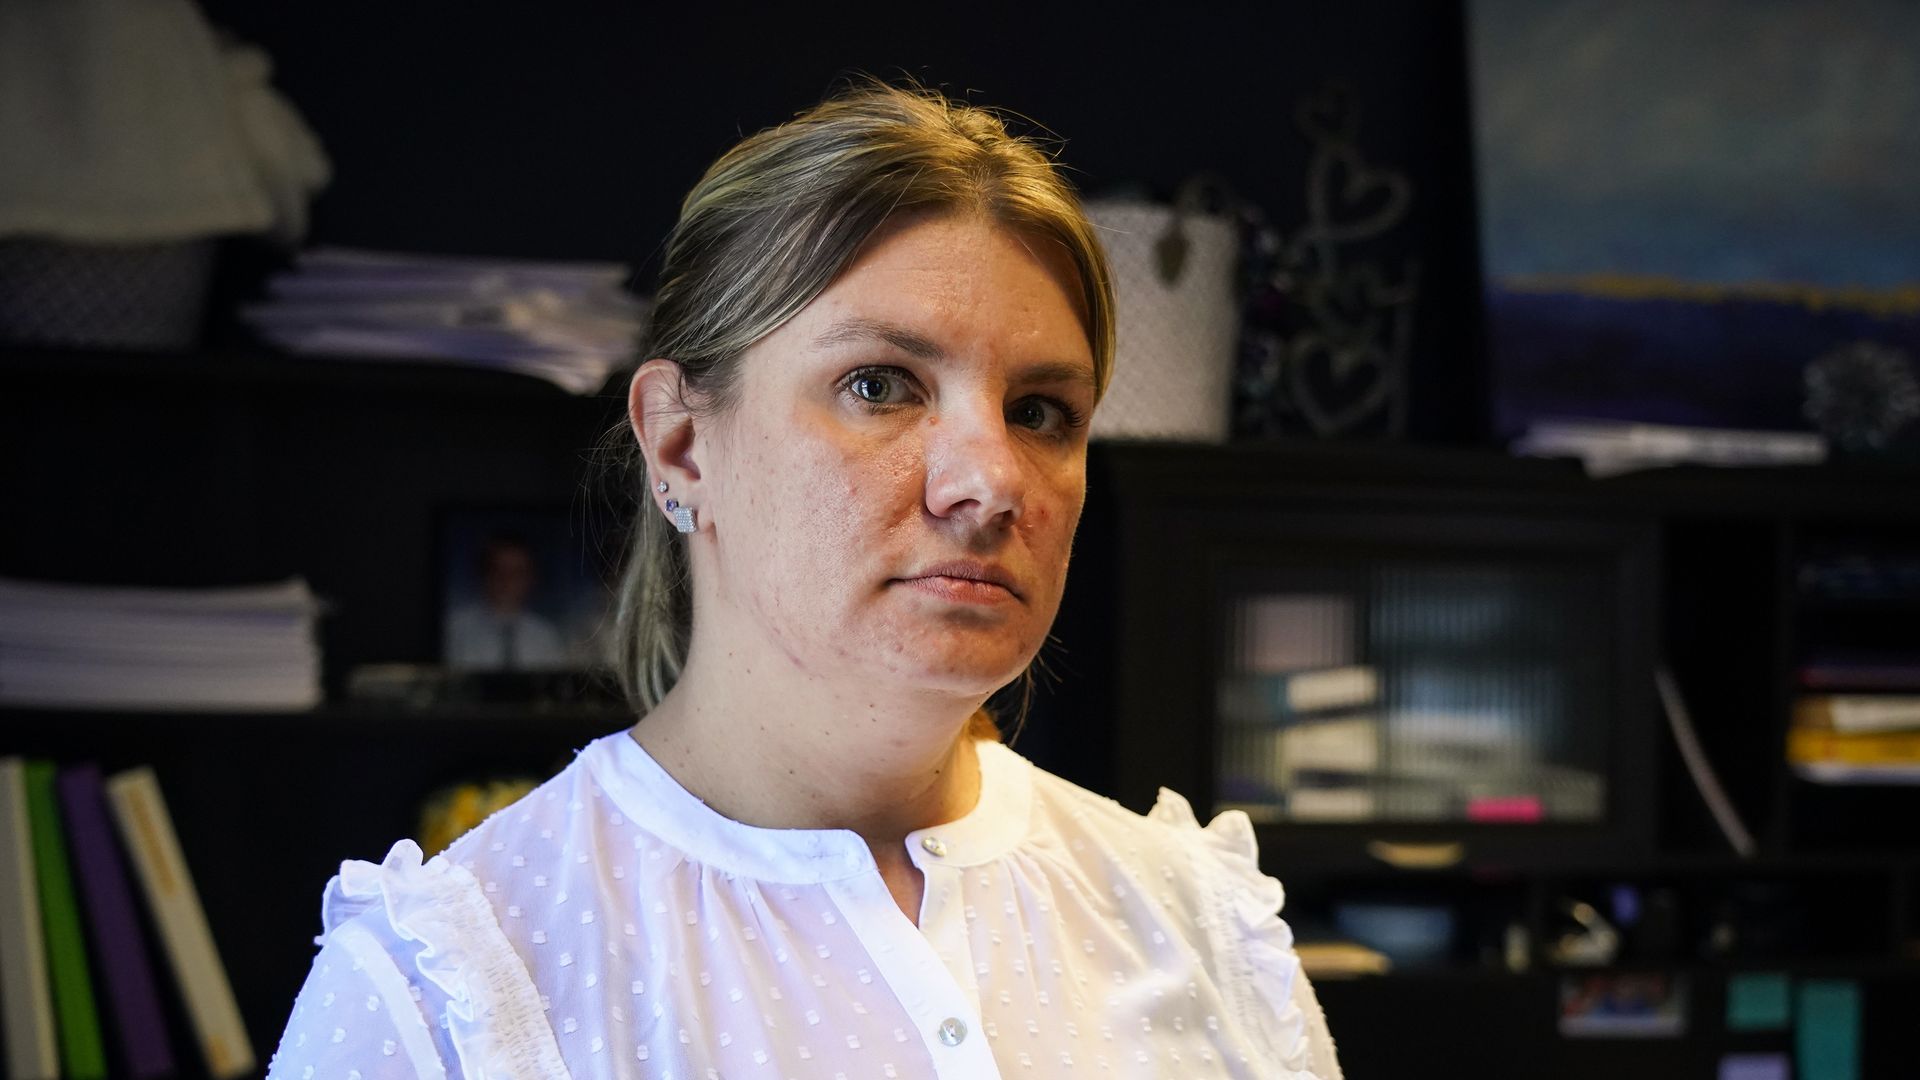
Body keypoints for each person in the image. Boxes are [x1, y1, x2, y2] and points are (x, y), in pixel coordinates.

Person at [266, 79, 1342, 1079]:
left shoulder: (1201, 930)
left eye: (1042, 411)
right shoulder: (449, 989)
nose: (993, 482)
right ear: (683, 447)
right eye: (881, 384)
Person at [444, 532, 569, 671]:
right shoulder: (455, 629)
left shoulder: (545, 636)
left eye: (516, 573)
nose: (506, 581)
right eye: (498, 570)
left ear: (531, 578)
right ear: (483, 574)